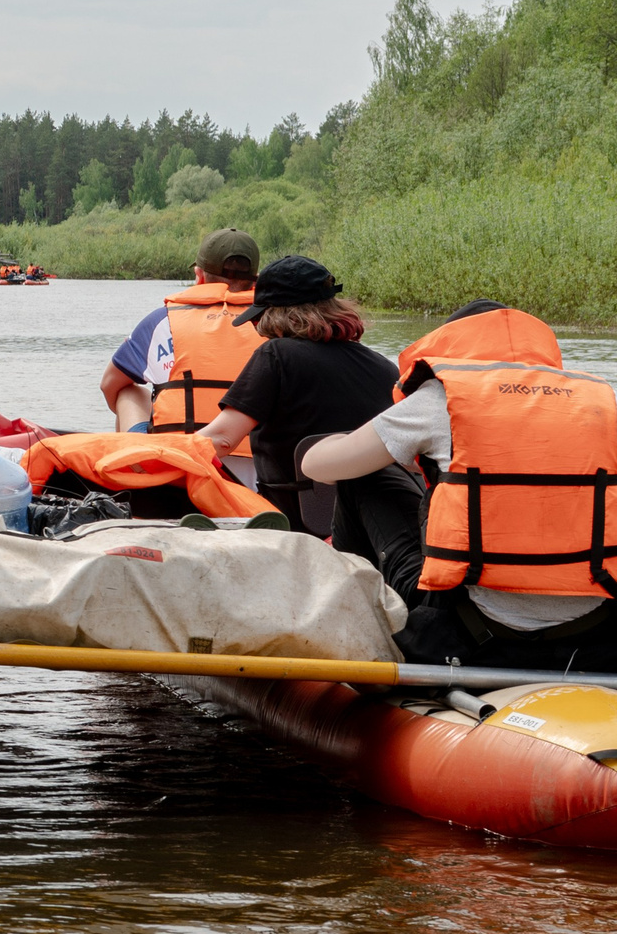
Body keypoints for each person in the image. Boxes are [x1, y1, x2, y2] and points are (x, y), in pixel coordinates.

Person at [295, 300, 617, 666]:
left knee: (363, 476)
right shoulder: (602, 402)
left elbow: (317, 466)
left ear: (451, 345)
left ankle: (357, 626)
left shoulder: (442, 397)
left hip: (471, 631)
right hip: (595, 632)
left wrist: (406, 452)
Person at [191, 255, 396, 543]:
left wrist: (156, 453)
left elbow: (220, 440)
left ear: (276, 315)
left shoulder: (276, 355)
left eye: (258, 317)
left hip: (295, 532)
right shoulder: (385, 368)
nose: (258, 327)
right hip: (372, 533)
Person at [101, 228, 262, 445]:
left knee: (128, 392)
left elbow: (109, 383)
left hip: (179, 464)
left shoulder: (161, 321)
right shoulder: (280, 324)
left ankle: (136, 459)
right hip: (259, 468)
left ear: (199, 276)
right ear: (257, 282)